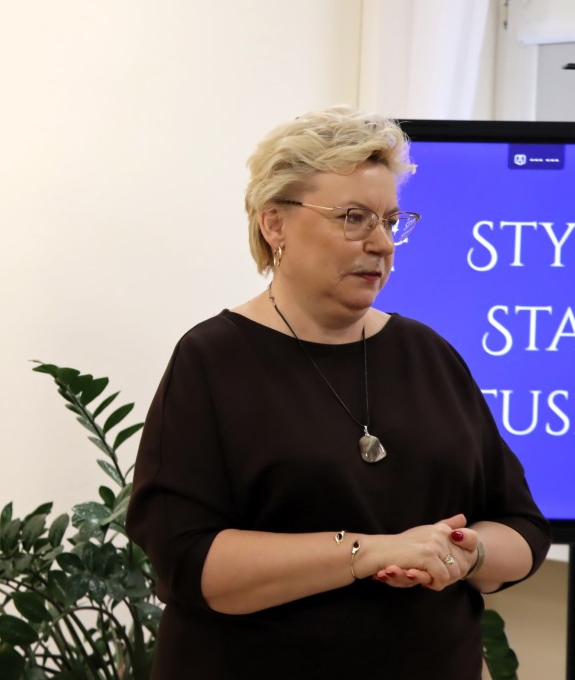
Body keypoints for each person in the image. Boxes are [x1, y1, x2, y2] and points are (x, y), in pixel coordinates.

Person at [127, 106, 551, 679]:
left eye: (391, 221)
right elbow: (186, 560)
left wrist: (463, 551)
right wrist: (366, 552)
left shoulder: (430, 354)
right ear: (274, 224)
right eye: (354, 218)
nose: (382, 243)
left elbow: (522, 529)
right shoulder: (212, 360)